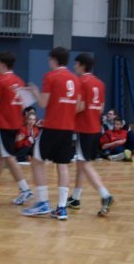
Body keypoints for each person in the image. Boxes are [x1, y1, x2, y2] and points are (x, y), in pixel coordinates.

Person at [23, 47, 113, 220]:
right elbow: (84, 106)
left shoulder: (51, 76)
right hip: (72, 128)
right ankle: (62, 207)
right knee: (63, 165)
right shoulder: (77, 80)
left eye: (50, 60)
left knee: (36, 161)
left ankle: (42, 202)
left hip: (56, 126)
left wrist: (34, 91)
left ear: (54, 60)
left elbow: (43, 103)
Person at [0, 51, 33, 204]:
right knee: (2, 155)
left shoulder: (1, 81)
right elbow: (24, 103)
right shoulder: (19, 80)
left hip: (4, 124)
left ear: (2, 64)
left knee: (9, 157)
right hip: (16, 123)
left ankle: (25, 189)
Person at [69, 52, 109, 209]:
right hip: (95, 127)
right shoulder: (100, 83)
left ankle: (105, 194)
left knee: (84, 163)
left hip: (83, 127)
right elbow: (101, 108)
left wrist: (65, 112)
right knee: (81, 162)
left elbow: (79, 106)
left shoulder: (81, 82)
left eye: (76, 64)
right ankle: (76, 198)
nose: (74, 67)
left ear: (82, 65)